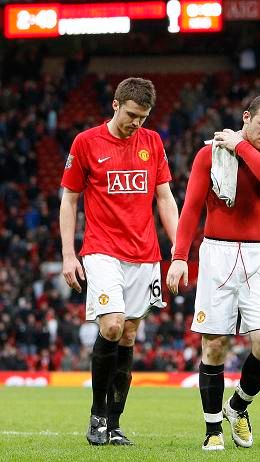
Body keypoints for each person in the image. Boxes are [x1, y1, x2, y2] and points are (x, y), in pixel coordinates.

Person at [166, 94, 260, 451]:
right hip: (217, 254)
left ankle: (238, 407)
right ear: (246, 116)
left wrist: (240, 145)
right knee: (215, 343)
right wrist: (179, 256)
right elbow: (190, 208)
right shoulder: (209, 154)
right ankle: (212, 430)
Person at [59, 77, 178, 446]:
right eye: (131, 115)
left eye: (143, 117)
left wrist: (180, 251)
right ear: (115, 105)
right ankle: (96, 416)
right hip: (102, 249)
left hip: (144, 254)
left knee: (129, 334)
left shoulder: (152, 143)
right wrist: (67, 253)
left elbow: (165, 199)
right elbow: (69, 201)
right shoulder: (86, 143)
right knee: (111, 326)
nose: (136, 123)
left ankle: (114, 423)